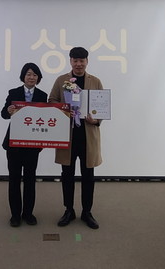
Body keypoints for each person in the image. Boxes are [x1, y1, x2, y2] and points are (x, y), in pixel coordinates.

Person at [48, 47, 104, 229]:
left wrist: (96, 120)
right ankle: (69, 210)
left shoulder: (95, 81)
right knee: (67, 175)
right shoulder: (61, 80)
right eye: (75, 60)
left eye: (82, 60)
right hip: (67, 136)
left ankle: (87, 212)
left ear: (87, 61)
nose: (79, 64)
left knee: (88, 176)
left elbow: (102, 107)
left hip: (88, 136)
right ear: (70, 61)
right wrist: (65, 110)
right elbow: (52, 101)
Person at [0, 62, 48, 227]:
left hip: (32, 145)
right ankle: (15, 215)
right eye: (28, 74)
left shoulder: (42, 95)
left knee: (30, 179)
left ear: (38, 78)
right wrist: (9, 111)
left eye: (34, 75)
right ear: (23, 76)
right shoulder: (13, 93)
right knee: (14, 179)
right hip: (14, 144)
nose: (31, 77)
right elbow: (3, 114)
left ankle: (28, 213)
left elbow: (45, 118)